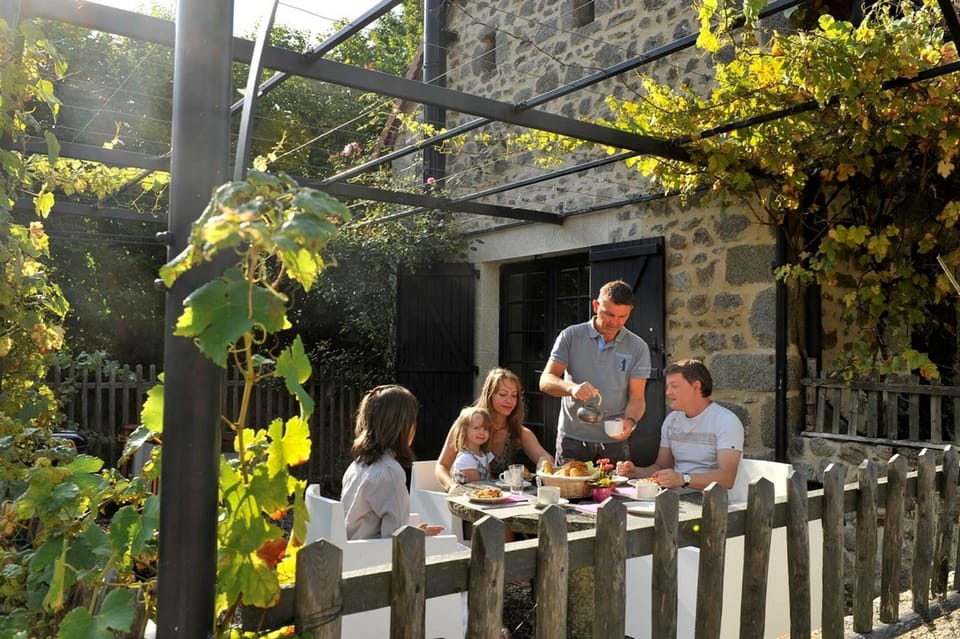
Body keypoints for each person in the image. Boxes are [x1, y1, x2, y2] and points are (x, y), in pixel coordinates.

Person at [539, 279, 651, 465]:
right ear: (596, 306)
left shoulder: (638, 347)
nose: (614, 322)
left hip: (614, 441)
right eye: (609, 314)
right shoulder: (570, 336)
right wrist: (572, 388)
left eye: (622, 316)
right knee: (570, 485)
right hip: (573, 439)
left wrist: (630, 421)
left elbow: (637, 398)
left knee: (616, 486)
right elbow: (545, 381)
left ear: (630, 311)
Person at [615, 359, 743, 490]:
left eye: (674, 386)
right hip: (673, 496)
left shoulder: (726, 421)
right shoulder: (672, 420)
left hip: (712, 499)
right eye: (668, 386)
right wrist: (636, 472)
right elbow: (662, 467)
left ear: (696, 386)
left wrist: (683, 479)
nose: (668, 392)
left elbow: (727, 479)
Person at [341, 384, 445, 540]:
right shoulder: (390, 472)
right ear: (402, 427)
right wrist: (415, 536)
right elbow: (396, 539)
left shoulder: (357, 465)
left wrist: (415, 532)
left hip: (355, 549)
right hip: (376, 554)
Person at [436, 368, 551, 492]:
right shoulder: (466, 424)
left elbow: (546, 458)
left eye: (514, 395)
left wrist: (543, 462)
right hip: (466, 496)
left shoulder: (520, 432)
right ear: (489, 394)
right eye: (503, 394)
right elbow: (441, 466)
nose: (509, 401)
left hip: (503, 497)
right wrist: (452, 487)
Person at [451, 406, 496, 484]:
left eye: (485, 429)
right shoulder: (465, 459)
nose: (482, 432)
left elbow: (489, 479)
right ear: (464, 430)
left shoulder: (485, 454)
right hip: (472, 491)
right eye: (476, 428)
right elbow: (477, 486)